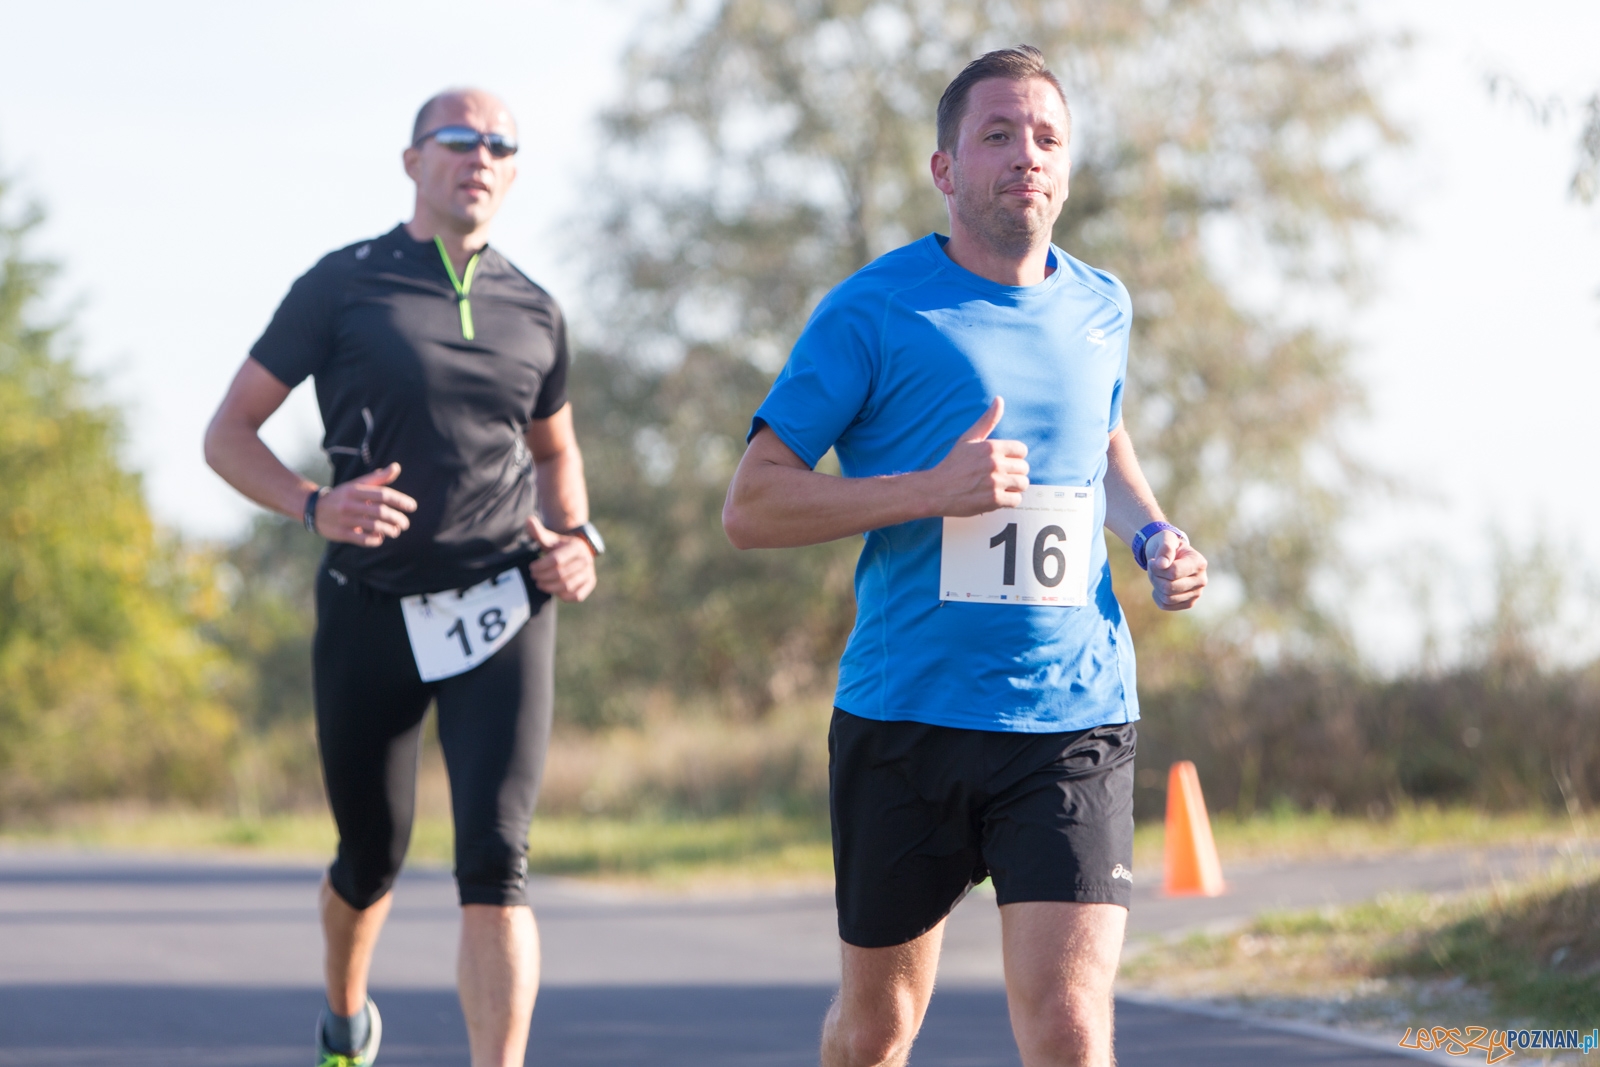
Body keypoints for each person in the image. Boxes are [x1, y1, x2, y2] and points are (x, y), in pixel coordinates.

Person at [722, 46, 1208, 1067]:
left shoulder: (1101, 305)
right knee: (876, 1029)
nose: (1024, 155)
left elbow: (1102, 444)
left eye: (1044, 137)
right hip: (908, 720)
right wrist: (927, 493)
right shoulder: (870, 310)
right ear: (945, 171)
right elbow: (752, 504)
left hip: (1072, 715)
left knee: (1072, 1025)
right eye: (996, 134)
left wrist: (1155, 533)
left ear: (1065, 168)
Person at [204, 88, 602, 1067]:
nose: (480, 154)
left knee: (496, 860)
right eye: (457, 138)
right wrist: (312, 505)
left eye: (499, 143)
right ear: (413, 160)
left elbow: (556, 453)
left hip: (503, 604)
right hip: (370, 610)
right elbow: (226, 434)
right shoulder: (342, 286)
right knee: (369, 856)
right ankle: (346, 1013)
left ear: (511, 170)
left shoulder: (534, 308)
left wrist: (578, 535)